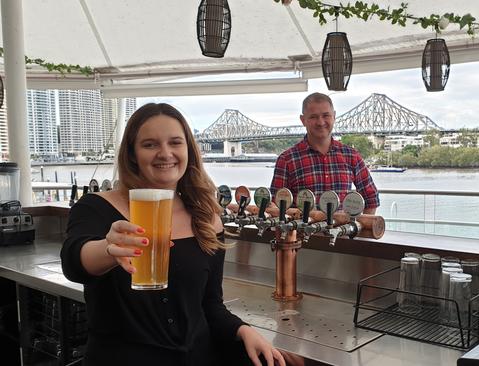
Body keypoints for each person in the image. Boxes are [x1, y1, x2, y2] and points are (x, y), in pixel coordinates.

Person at [61, 103, 285, 366]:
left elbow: (210, 305)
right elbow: (74, 262)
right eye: (150, 145)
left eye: (175, 143)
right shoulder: (96, 207)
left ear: (188, 150)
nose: (165, 153)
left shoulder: (206, 217)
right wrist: (109, 249)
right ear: (132, 153)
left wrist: (243, 329)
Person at [270, 92, 380, 214]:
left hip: (343, 232)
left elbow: (371, 198)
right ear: (303, 120)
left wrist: (359, 228)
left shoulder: (351, 156)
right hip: (302, 233)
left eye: (326, 115)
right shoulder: (287, 160)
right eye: (313, 117)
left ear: (334, 116)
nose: (320, 122)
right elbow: (276, 207)